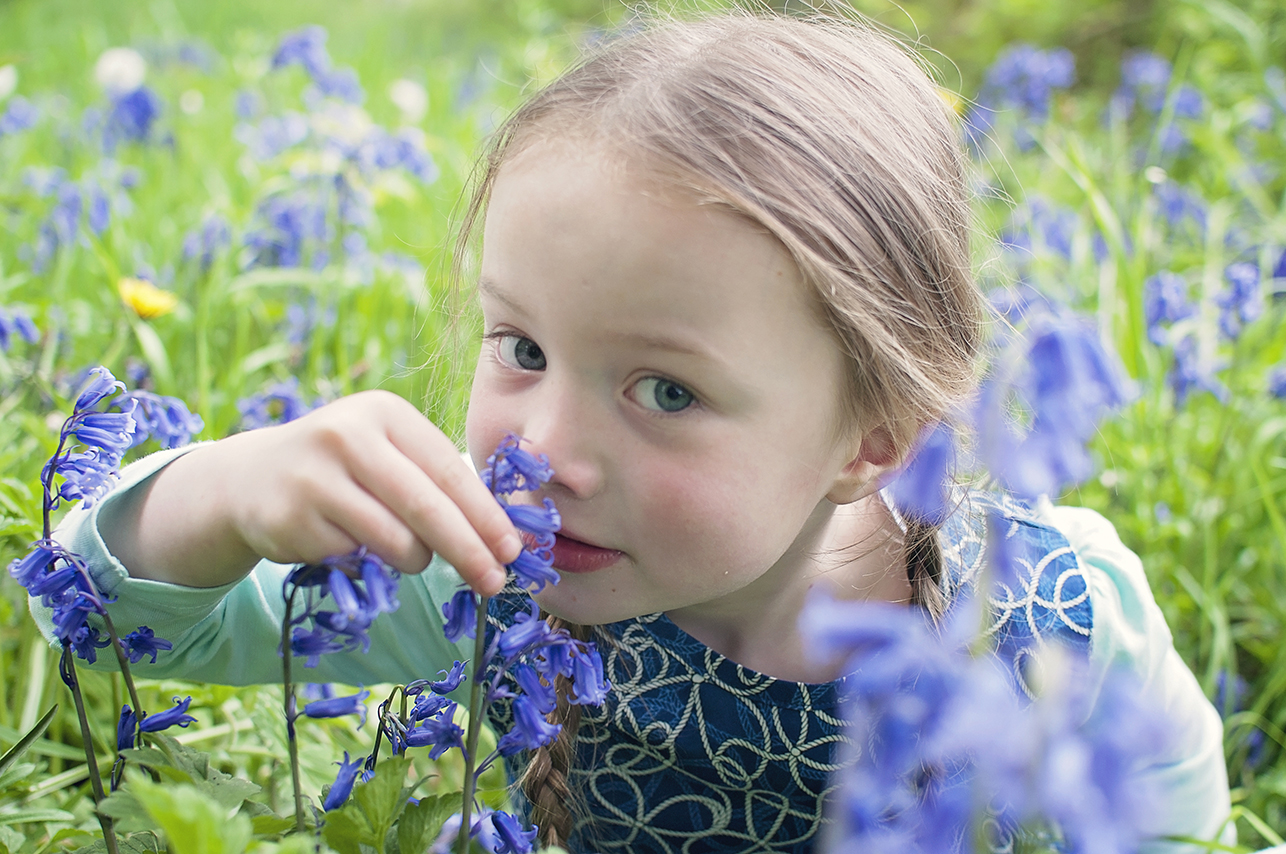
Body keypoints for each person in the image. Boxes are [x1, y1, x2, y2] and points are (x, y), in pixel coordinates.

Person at [35, 11, 1231, 853]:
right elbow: (104, 627)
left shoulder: (1052, 615)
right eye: (522, 348)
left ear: (872, 438)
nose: (545, 446)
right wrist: (223, 495)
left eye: (664, 390)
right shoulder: (490, 575)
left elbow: (1171, 807)